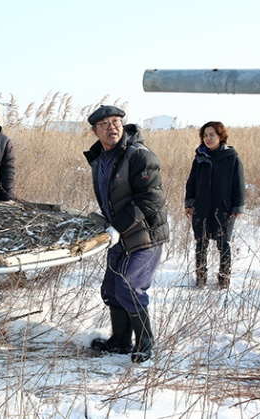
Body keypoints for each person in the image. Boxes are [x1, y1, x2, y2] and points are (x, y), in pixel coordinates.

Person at [83, 105, 169, 363]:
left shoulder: (140, 155)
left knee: (129, 286)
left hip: (145, 234)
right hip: (118, 234)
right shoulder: (99, 158)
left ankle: (145, 343)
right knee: (111, 289)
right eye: (105, 124)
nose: (112, 127)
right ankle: (120, 341)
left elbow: (150, 198)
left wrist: (118, 226)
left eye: (116, 122)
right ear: (95, 131)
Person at [184, 121, 245, 289]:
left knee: (224, 244)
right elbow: (191, 182)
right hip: (201, 208)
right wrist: (189, 202)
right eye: (205, 135)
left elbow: (239, 183)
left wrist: (238, 206)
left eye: (212, 135)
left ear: (220, 136)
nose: (208, 138)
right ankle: (200, 278)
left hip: (223, 209)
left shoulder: (231, 157)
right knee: (200, 243)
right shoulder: (200, 157)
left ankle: (224, 279)